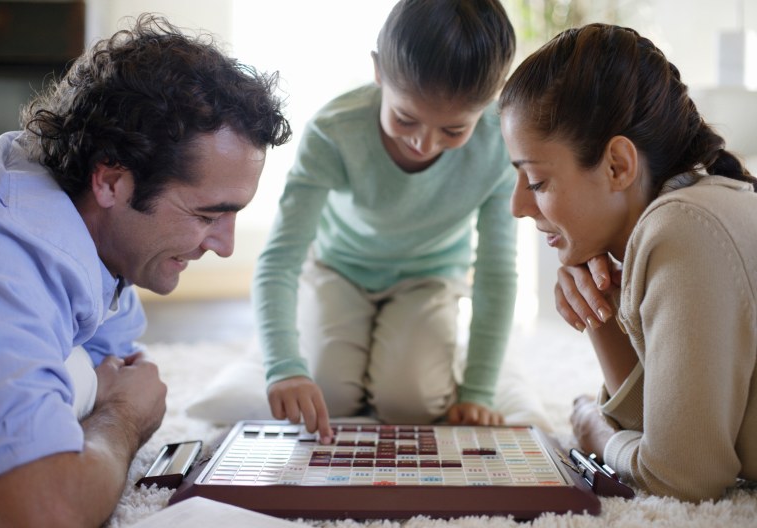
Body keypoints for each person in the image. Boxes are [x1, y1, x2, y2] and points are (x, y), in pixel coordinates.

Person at [0, 14, 291, 527]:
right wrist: (124, 418)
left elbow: (116, 360)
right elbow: (43, 512)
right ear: (112, 181)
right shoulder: (16, 272)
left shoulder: (94, 237)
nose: (225, 247)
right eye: (206, 215)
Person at [499, 22, 757, 502]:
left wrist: (595, 431)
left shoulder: (683, 227)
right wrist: (599, 314)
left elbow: (682, 476)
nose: (517, 206)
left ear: (617, 165)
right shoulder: (692, 212)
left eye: (535, 182)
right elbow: (661, 424)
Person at [253, 0, 518, 441]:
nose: (424, 142)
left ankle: (407, 345)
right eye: (405, 117)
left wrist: (479, 390)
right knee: (327, 397)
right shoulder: (333, 132)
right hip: (338, 269)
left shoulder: (497, 148)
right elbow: (279, 257)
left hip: (430, 278)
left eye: (453, 131)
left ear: (491, 100)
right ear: (378, 72)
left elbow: (497, 271)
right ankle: (302, 331)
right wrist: (283, 365)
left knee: (409, 404)